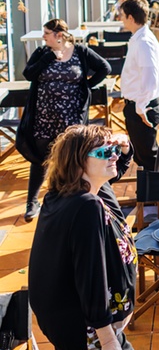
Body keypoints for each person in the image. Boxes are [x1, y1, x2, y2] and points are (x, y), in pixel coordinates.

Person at [28, 125, 159, 350]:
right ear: (78, 162)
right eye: (103, 153)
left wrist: (119, 144)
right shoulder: (86, 206)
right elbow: (91, 278)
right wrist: (108, 339)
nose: (114, 156)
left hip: (61, 323)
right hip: (88, 329)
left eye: (112, 150)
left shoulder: (73, 193)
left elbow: (121, 159)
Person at [16, 18, 110, 222]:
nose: (43, 36)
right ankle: (32, 202)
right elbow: (29, 74)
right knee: (39, 158)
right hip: (44, 117)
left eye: (47, 33)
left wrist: (86, 85)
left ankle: (73, 200)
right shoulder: (43, 53)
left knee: (73, 157)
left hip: (71, 118)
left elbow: (105, 68)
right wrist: (48, 58)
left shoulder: (80, 52)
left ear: (58, 35)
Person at [119, 0, 159, 172]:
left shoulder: (143, 42)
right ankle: (151, 196)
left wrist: (140, 108)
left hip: (142, 108)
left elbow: (150, 78)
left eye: (122, 15)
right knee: (143, 155)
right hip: (141, 106)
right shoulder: (140, 38)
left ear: (131, 18)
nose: (121, 19)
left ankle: (152, 198)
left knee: (147, 158)